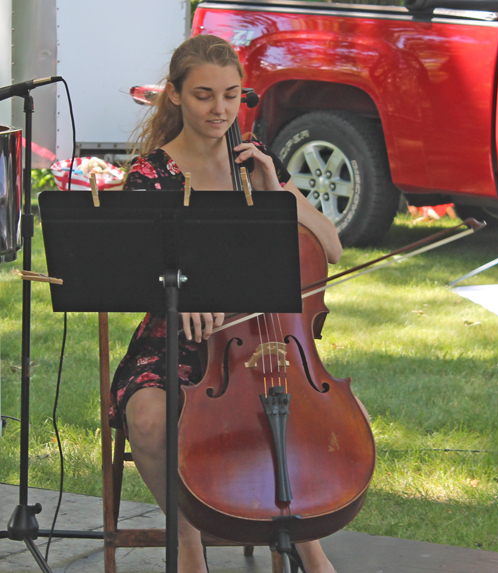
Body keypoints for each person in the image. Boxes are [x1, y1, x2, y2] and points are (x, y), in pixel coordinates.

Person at [109, 34, 344, 573]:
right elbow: (130, 271)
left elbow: (329, 245)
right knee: (147, 417)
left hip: (264, 341)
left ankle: (308, 545)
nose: (219, 109)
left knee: (288, 408)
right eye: (203, 95)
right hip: (174, 340)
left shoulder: (258, 165)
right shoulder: (152, 178)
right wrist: (177, 289)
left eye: (231, 95)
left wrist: (276, 192)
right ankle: (187, 542)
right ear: (175, 96)